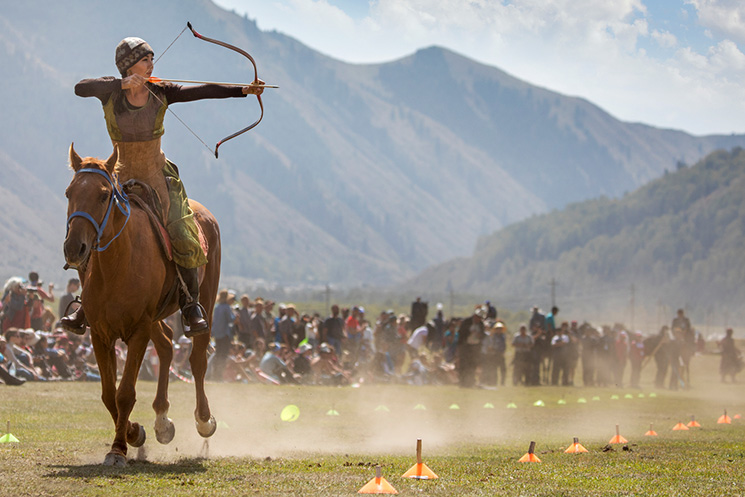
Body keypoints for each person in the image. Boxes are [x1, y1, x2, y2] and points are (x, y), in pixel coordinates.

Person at [64, 36, 263, 335]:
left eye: (151, 59)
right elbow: (80, 87)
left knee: (182, 232)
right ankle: (86, 305)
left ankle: (190, 304)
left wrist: (243, 90)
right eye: (145, 60)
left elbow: (201, 92)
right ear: (129, 65)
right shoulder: (110, 91)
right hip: (119, 180)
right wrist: (121, 85)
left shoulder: (160, 90)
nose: (151, 64)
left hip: (157, 178)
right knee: (91, 227)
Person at [456, 306, 486, 388]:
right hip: (465, 347)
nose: (479, 319)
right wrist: (469, 332)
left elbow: (483, 335)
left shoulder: (480, 324)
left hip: (475, 348)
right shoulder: (467, 322)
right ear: (475, 316)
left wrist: (479, 335)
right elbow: (461, 334)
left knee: (472, 365)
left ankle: (470, 382)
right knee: (464, 365)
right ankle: (462, 383)